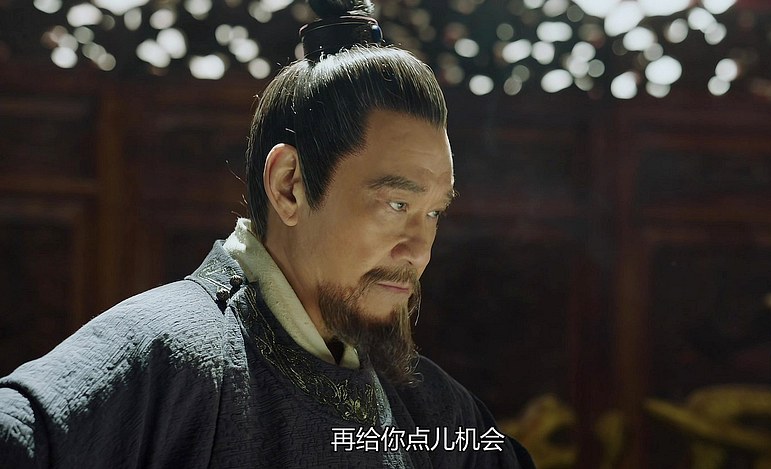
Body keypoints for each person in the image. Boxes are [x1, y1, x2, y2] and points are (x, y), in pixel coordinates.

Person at [0, 0, 534, 467]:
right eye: (397, 204)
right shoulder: (172, 357)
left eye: (434, 213)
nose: (419, 252)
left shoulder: (430, 412)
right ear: (289, 185)